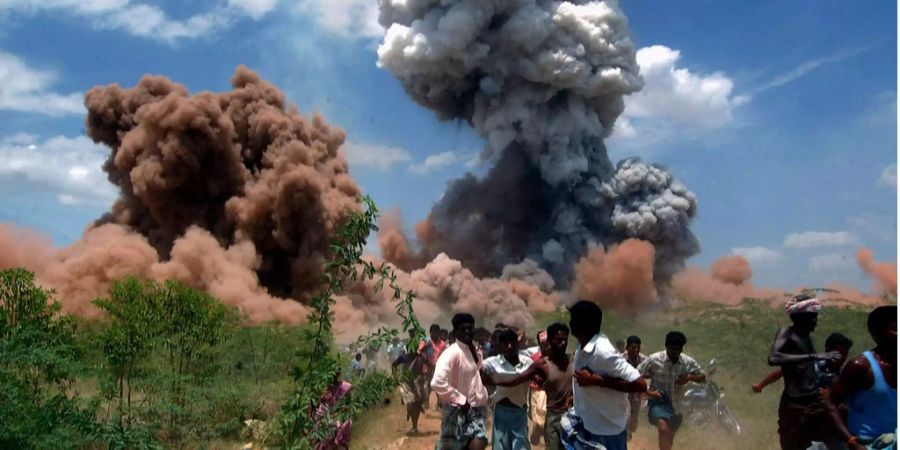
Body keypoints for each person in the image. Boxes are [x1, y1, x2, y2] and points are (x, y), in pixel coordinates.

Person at [561, 300, 651, 450]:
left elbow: (640, 384)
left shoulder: (603, 352)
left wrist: (597, 381)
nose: (570, 323)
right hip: (587, 423)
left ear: (583, 323)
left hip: (608, 432)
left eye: (573, 319)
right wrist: (576, 396)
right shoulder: (582, 345)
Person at [767, 294, 844, 450]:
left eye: (815, 317)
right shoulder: (787, 333)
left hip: (814, 401)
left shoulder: (807, 338)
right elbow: (773, 357)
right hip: (795, 405)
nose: (815, 321)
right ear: (799, 317)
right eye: (811, 317)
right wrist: (814, 356)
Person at [827, 305, 897, 449]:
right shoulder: (861, 367)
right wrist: (852, 442)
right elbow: (830, 403)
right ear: (875, 334)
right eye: (895, 328)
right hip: (869, 444)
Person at [495, 322, 574, 450]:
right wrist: (493, 379)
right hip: (554, 417)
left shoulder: (574, 360)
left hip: (572, 417)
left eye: (565, 340)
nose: (563, 343)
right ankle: (537, 430)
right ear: (550, 341)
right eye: (559, 340)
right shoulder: (542, 364)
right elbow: (517, 379)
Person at [637, 331, 705, 450]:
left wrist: (689, 377)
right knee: (663, 430)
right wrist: (648, 392)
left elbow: (702, 377)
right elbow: (635, 375)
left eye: (679, 349)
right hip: (658, 402)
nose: (676, 352)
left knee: (669, 438)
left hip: (677, 405)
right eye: (673, 349)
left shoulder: (687, 362)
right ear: (667, 346)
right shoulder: (654, 359)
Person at [432, 313, 489, 450]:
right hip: (456, 412)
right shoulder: (452, 353)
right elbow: (436, 382)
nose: (468, 331)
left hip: (476, 411)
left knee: (479, 442)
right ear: (456, 331)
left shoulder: (474, 350)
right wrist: (460, 399)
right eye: (463, 329)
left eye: (470, 328)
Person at [482, 328, 534, 450]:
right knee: (500, 446)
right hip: (501, 412)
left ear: (518, 344)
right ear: (501, 346)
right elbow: (480, 369)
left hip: (519, 413)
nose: (509, 347)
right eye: (506, 344)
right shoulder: (492, 362)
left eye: (512, 343)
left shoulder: (527, 363)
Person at [752, 332, 854, 393]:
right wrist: (761, 385)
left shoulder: (843, 376)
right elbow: (781, 372)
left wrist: (830, 394)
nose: (843, 358)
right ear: (828, 350)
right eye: (839, 353)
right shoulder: (812, 364)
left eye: (845, 354)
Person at [393, 339, 428, 435]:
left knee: (417, 404)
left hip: (417, 384)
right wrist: (396, 379)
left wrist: (424, 376)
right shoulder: (403, 357)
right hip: (406, 384)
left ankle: (414, 426)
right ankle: (413, 421)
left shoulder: (421, 358)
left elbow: (431, 366)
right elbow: (393, 365)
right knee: (412, 403)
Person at [313, 370, 353, 450]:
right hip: (323, 417)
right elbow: (315, 404)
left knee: (343, 426)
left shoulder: (343, 387)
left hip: (334, 416)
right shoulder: (324, 388)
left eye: (335, 375)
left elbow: (347, 402)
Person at [623, 335, 648, 438]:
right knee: (625, 416)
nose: (636, 350)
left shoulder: (645, 360)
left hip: (637, 394)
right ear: (627, 348)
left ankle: (628, 432)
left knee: (633, 423)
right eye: (633, 348)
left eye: (638, 348)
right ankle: (624, 438)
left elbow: (652, 371)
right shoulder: (620, 360)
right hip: (623, 392)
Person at [528, 330, 550, 446]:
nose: (546, 345)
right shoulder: (533, 358)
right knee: (537, 418)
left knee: (547, 420)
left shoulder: (557, 358)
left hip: (550, 392)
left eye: (548, 342)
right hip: (536, 392)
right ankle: (537, 431)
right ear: (539, 343)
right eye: (543, 342)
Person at [421, 324, 449, 409]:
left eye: (437, 332)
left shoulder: (442, 344)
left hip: (438, 369)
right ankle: (426, 402)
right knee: (426, 386)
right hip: (426, 367)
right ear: (430, 332)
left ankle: (439, 404)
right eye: (433, 332)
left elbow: (446, 355)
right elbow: (419, 352)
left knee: (438, 386)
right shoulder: (426, 341)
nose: (435, 334)